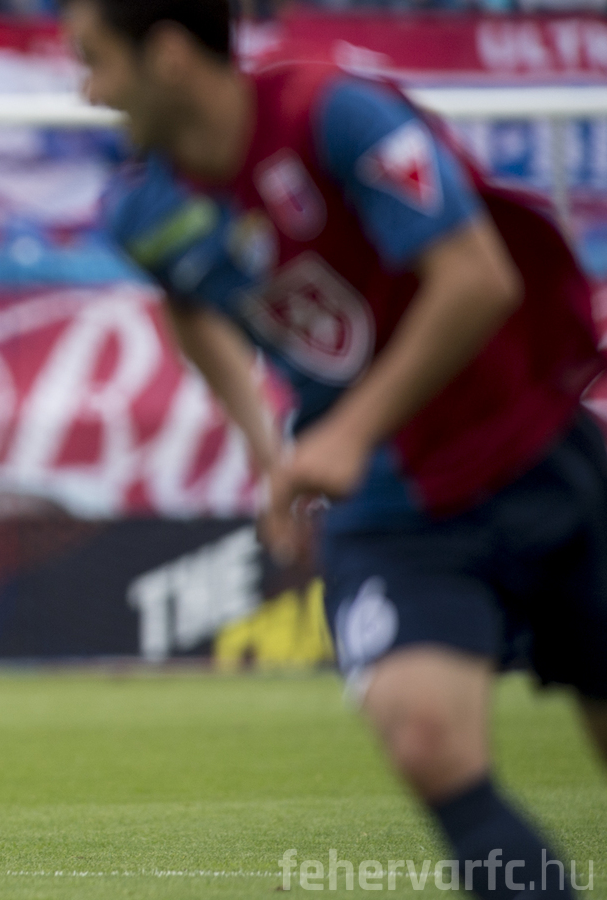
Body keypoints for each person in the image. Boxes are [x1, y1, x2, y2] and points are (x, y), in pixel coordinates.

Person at [71, 0, 607, 896]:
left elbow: (478, 278)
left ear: (167, 53)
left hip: (529, 447)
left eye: (96, 61)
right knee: (425, 739)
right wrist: (265, 448)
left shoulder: (333, 114)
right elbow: (189, 304)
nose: (89, 92)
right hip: (390, 500)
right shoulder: (144, 209)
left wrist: (347, 432)